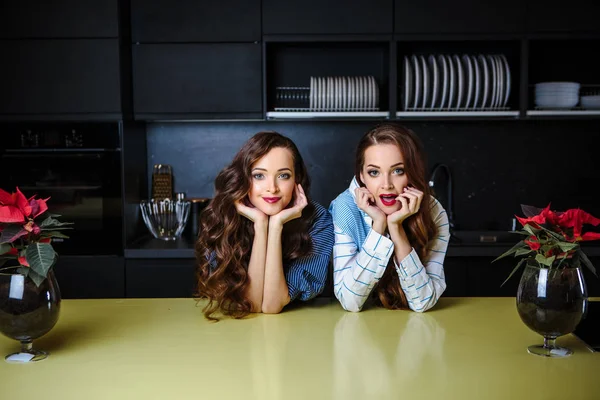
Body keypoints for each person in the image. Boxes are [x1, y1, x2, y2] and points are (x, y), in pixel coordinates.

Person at [195, 131, 334, 320]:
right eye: (259, 176)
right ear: (244, 178)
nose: (272, 188)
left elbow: (271, 305)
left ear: (296, 180)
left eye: (283, 176)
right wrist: (261, 225)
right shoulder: (225, 216)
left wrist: (275, 226)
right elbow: (251, 304)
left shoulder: (318, 219)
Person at [329, 123, 449, 312]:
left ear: (412, 172)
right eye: (374, 172)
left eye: (398, 171)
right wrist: (378, 226)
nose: (386, 185)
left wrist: (396, 228)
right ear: (362, 176)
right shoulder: (345, 208)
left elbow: (423, 302)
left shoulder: (433, 211)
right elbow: (350, 301)